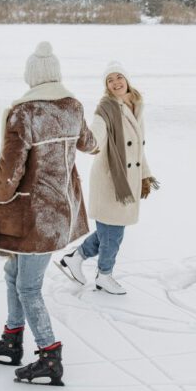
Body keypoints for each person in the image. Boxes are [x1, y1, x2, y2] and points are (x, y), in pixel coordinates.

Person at [0, 41, 98, 386]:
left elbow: (9, 170)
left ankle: (49, 354)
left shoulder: (24, 113)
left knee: (28, 287)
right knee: (12, 274)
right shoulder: (72, 107)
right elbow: (89, 143)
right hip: (60, 212)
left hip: (31, 217)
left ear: (32, 77)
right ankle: (12, 338)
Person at [57, 61, 158, 295]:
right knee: (113, 234)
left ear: (127, 79)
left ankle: (76, 257)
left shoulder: (135, 105)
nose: (115, 83)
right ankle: (104, 275)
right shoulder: (106, 109)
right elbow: (96, 136)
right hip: (110, 180)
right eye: (110, 80)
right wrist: (84, 139)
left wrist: (145, 175)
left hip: (127, 179)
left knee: (109, 232)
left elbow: (138, 150)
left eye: (118, 77)